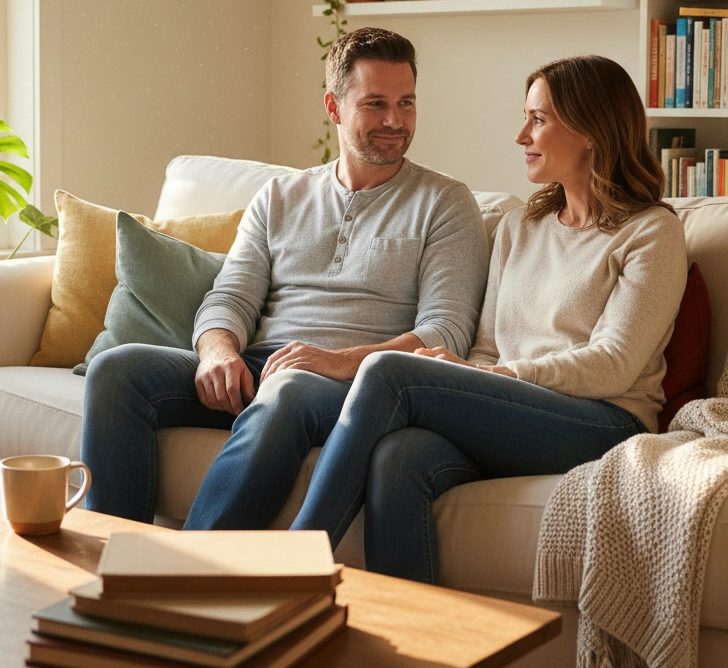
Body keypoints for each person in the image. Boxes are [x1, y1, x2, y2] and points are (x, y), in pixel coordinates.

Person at [290, 55, 688, 585]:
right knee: (398, 457)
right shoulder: (521, 225)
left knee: (389, 371)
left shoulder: (651, 233)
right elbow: (486, 348)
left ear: (592, 130)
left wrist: (507, 378)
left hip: (603, 421)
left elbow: (614, 364)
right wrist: (469, 372)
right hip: (515, 410)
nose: (522, 134)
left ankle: (292, 559)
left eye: (538, 119)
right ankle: (407, 641)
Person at [79, 27, 490, 527]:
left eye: (407, 103)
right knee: (117, 369)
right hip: (260, 367)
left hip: (360, 387)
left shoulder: (445, 202)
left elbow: (445, 333)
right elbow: (230, 295)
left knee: (289, 390)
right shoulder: (279, 196)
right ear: (334, 107)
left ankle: (189, 571)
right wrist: (217, 351)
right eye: (375, 103)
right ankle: (114, 559)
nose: (394, 121)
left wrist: (336, 362)